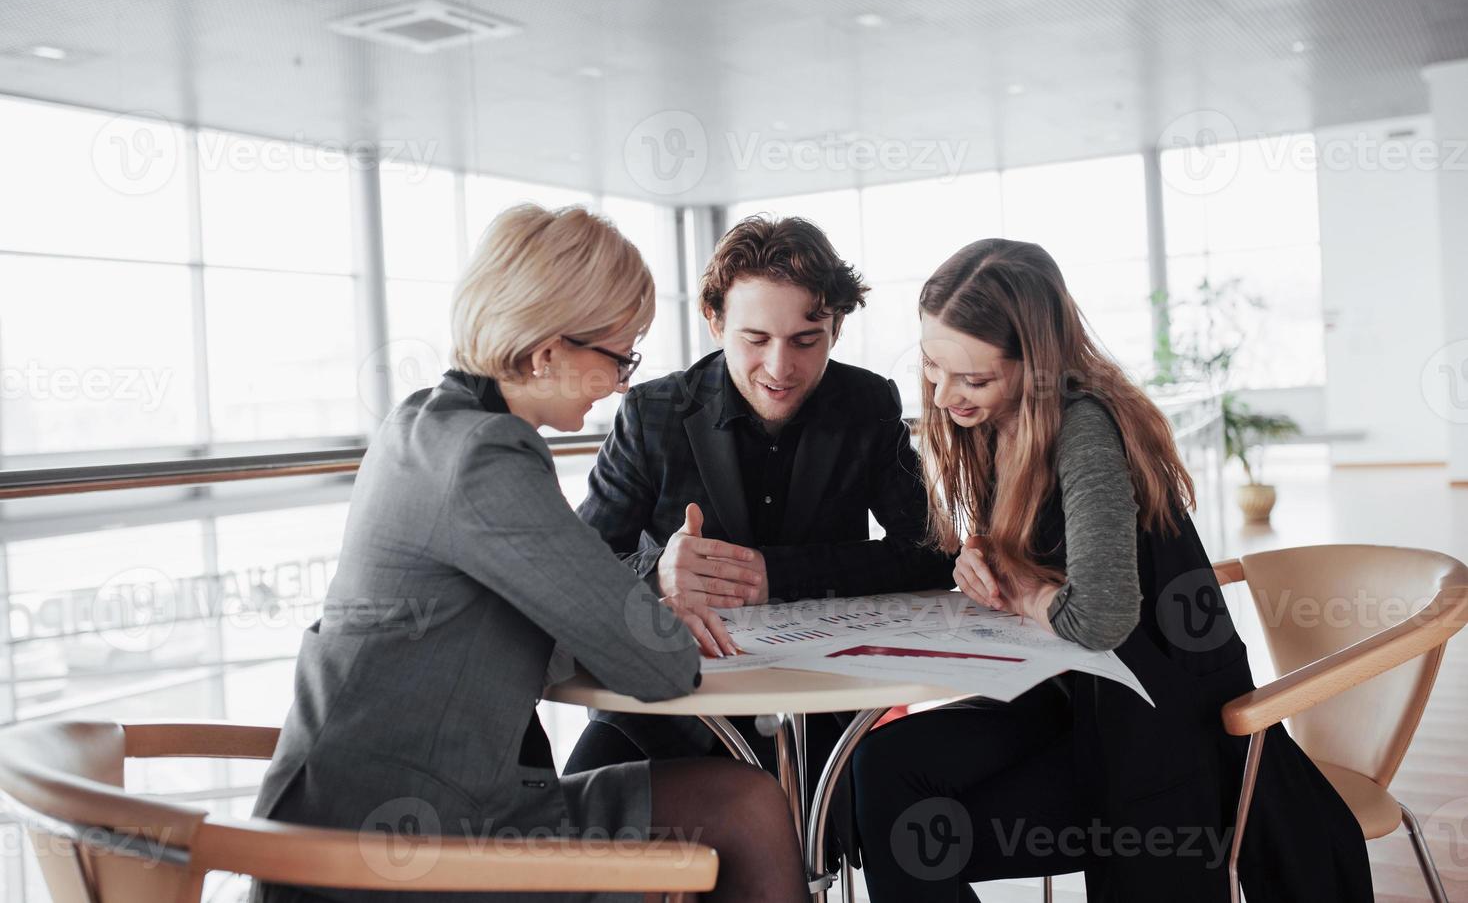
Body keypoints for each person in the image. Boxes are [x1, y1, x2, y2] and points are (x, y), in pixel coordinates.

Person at [251, 204, 806, 903]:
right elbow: (659, 664)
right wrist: (650, 607)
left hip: (335, 823)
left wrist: (635, 603)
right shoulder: (489, 457)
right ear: (548, 352)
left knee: (735, 804)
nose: (623, 383)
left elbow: (551, 615)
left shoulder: (424, 423)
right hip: (409, 852)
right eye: (618, 356)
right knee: (749, 809)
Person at [850, 238, 1372, 902]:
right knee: (883, 766)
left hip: (1154, 738)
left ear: (1035, 365)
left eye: (973, 378)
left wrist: (1022, 587)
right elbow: (1034, 551)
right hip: (1070, 701)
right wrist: (980, 556)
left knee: (908, 823)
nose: (944, 393)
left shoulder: (1085, 429)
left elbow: (1097, 615)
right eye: (931, 365)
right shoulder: (994, 423)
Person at [565, 214, 953, 791]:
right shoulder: (651, 414)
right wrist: (657, 577)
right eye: (756, 340)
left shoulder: (866, 403)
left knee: (866, 810)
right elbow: (575, 574)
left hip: (820, 709)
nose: (780, 368)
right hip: (668, 710)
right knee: (572, 828)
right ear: (715, 321)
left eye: (805, 341)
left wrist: (778, 575)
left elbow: (932, 553)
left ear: (836, 328)